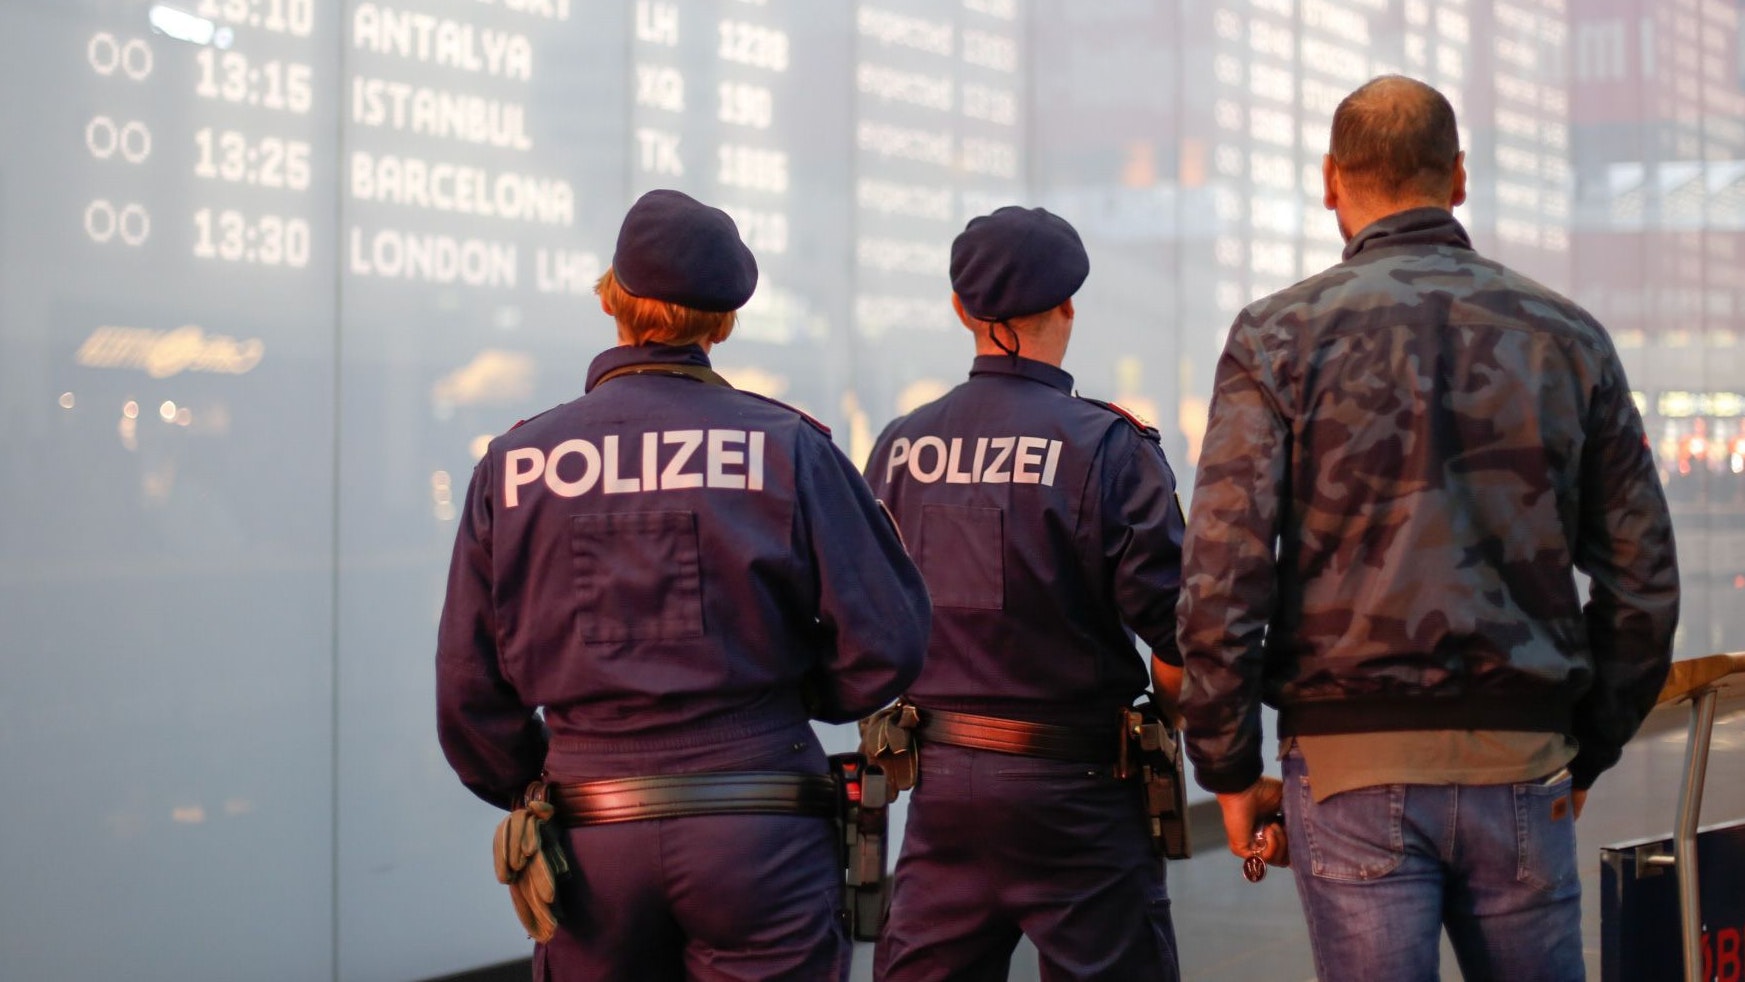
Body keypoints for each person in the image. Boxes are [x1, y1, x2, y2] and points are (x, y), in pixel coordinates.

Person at [1179, 75, 1680, 982]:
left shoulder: (1274, 339)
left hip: (1344, 771)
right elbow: (1642, 583)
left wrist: (1224, 765)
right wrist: (1584, 746)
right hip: (1523, 766)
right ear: (1457, 178)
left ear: (1329, 180)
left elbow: (1222, 574)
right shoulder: (1564, 337)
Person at [435, 188, 932, 981]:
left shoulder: (517, 463)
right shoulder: (787, 447)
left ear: (614, 300)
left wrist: (543, 775)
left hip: (589, 836)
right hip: (759, 827)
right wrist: (779, 706)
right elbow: (889, 638)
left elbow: (469, 689)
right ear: (722, 320)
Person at [867, 205, 1186, 981]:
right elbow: (1181, 635)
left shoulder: (901, 447)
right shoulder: (1108, 447)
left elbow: (868, 617)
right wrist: (1174, 725)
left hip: (941, 787)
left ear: (960, 311)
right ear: (1066, 307)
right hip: (1081, 789)